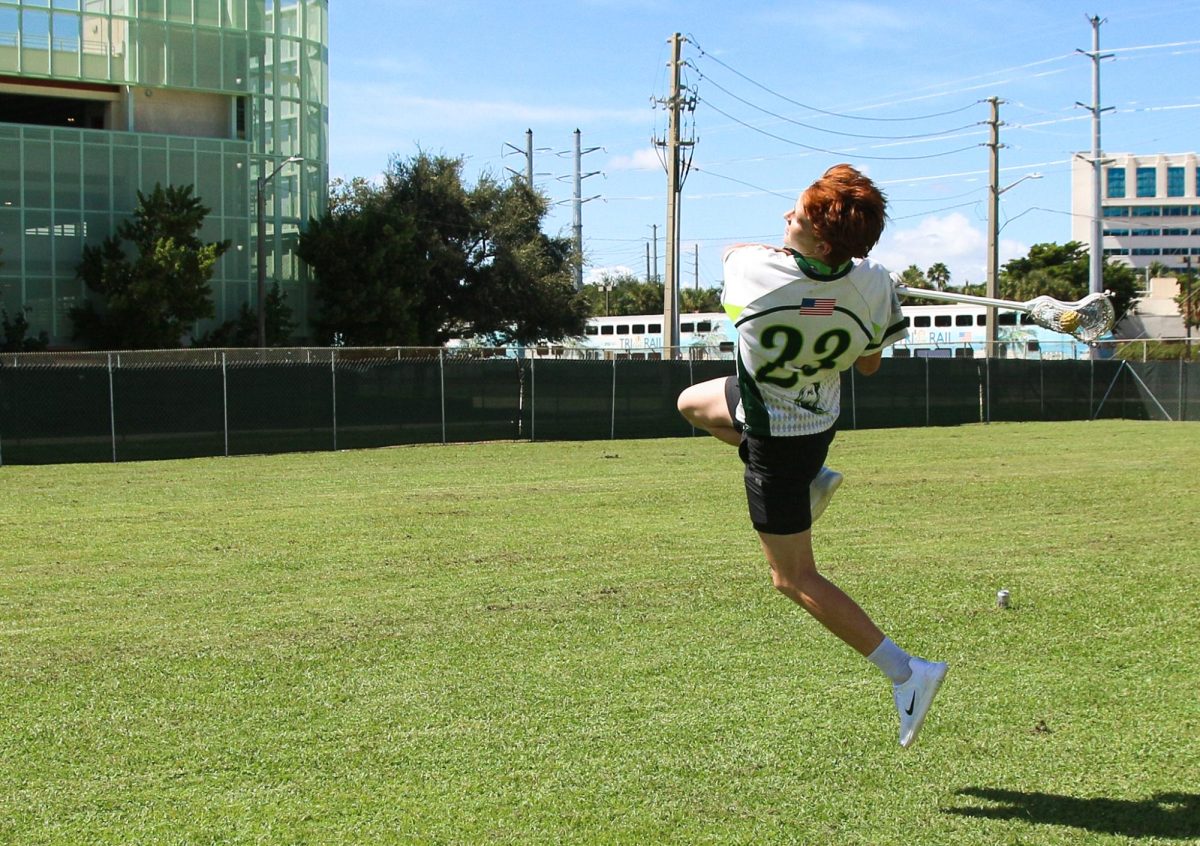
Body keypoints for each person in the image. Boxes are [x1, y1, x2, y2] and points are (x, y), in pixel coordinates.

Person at [677, 163, 947, 748]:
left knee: (792, 577)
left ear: (821, 241)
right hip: (816, 425)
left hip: (774, 441)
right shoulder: (873, 281)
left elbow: (735, 251)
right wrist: (853, 298)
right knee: (693, 403)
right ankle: (817, 477)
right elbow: (869, 364)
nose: (785, 219)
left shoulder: (751, 273)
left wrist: (813, 293)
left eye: (794, 215)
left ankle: (907, 672)